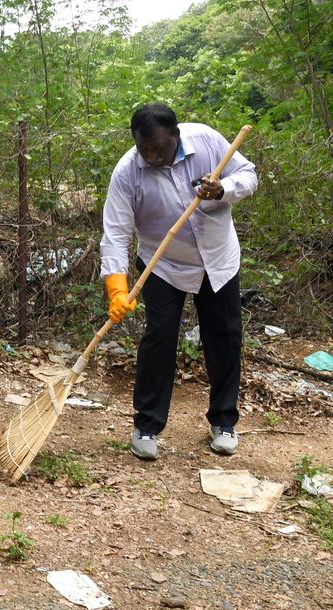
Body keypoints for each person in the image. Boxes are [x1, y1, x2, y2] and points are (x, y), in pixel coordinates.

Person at [100, 104, 257, 461]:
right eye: (144, 149)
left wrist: (224, 189)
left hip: (217, 258)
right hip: (163, 264)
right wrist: (117, 288)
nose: (152, 156)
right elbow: (116, 232)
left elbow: (248, 175)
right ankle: (146, 425)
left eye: (160, 148)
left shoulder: (206, 140)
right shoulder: (127, 172)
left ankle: (224, 421)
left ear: (176, 135)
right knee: (159, 337)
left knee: (224, 336)